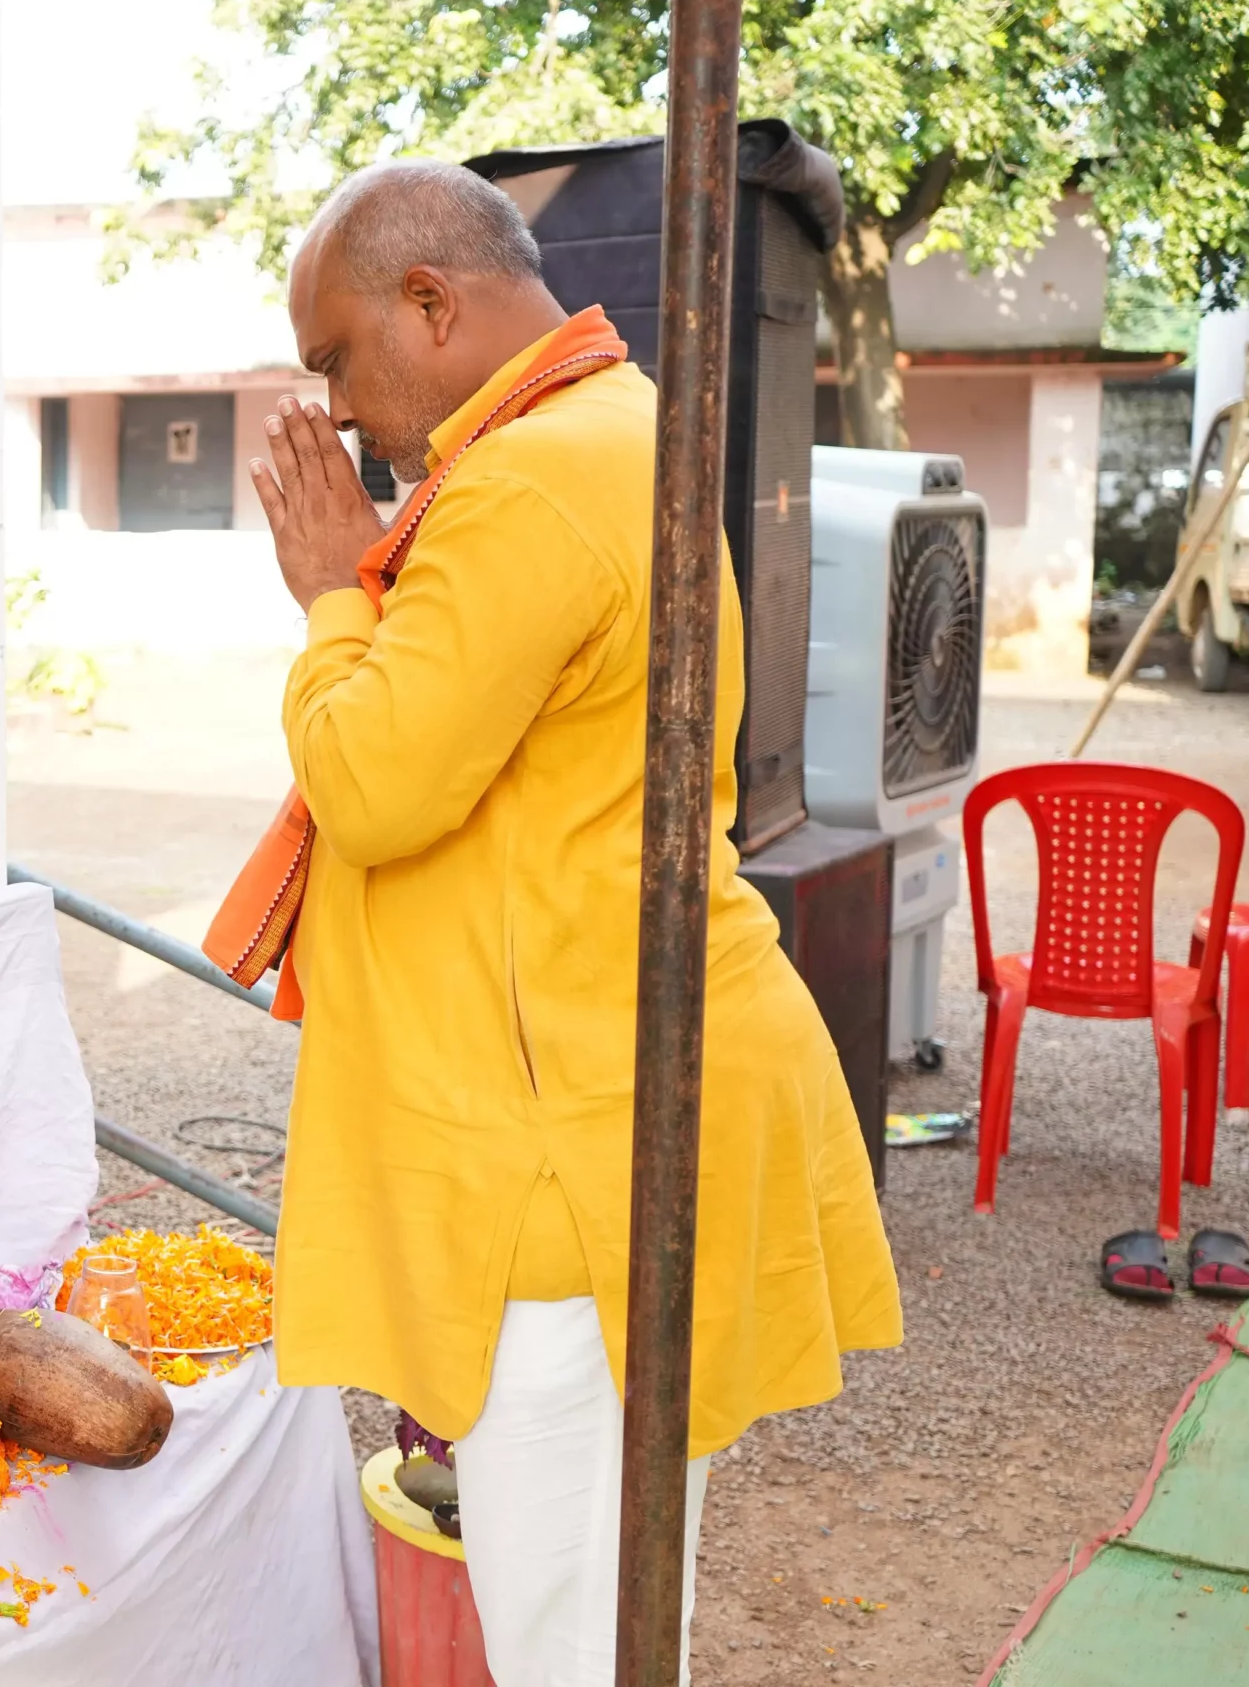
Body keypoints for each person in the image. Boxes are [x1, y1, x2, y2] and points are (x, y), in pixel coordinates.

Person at [228, 160, 902, 1685]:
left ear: (430, 303)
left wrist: (336, 596)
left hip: (575, 1153)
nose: (334, 409)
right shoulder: (614, 426)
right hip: (607, 1104)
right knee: (602, 1605)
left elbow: (378, 781)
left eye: (336, 357)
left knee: (568, 1632)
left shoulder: (528, 475)